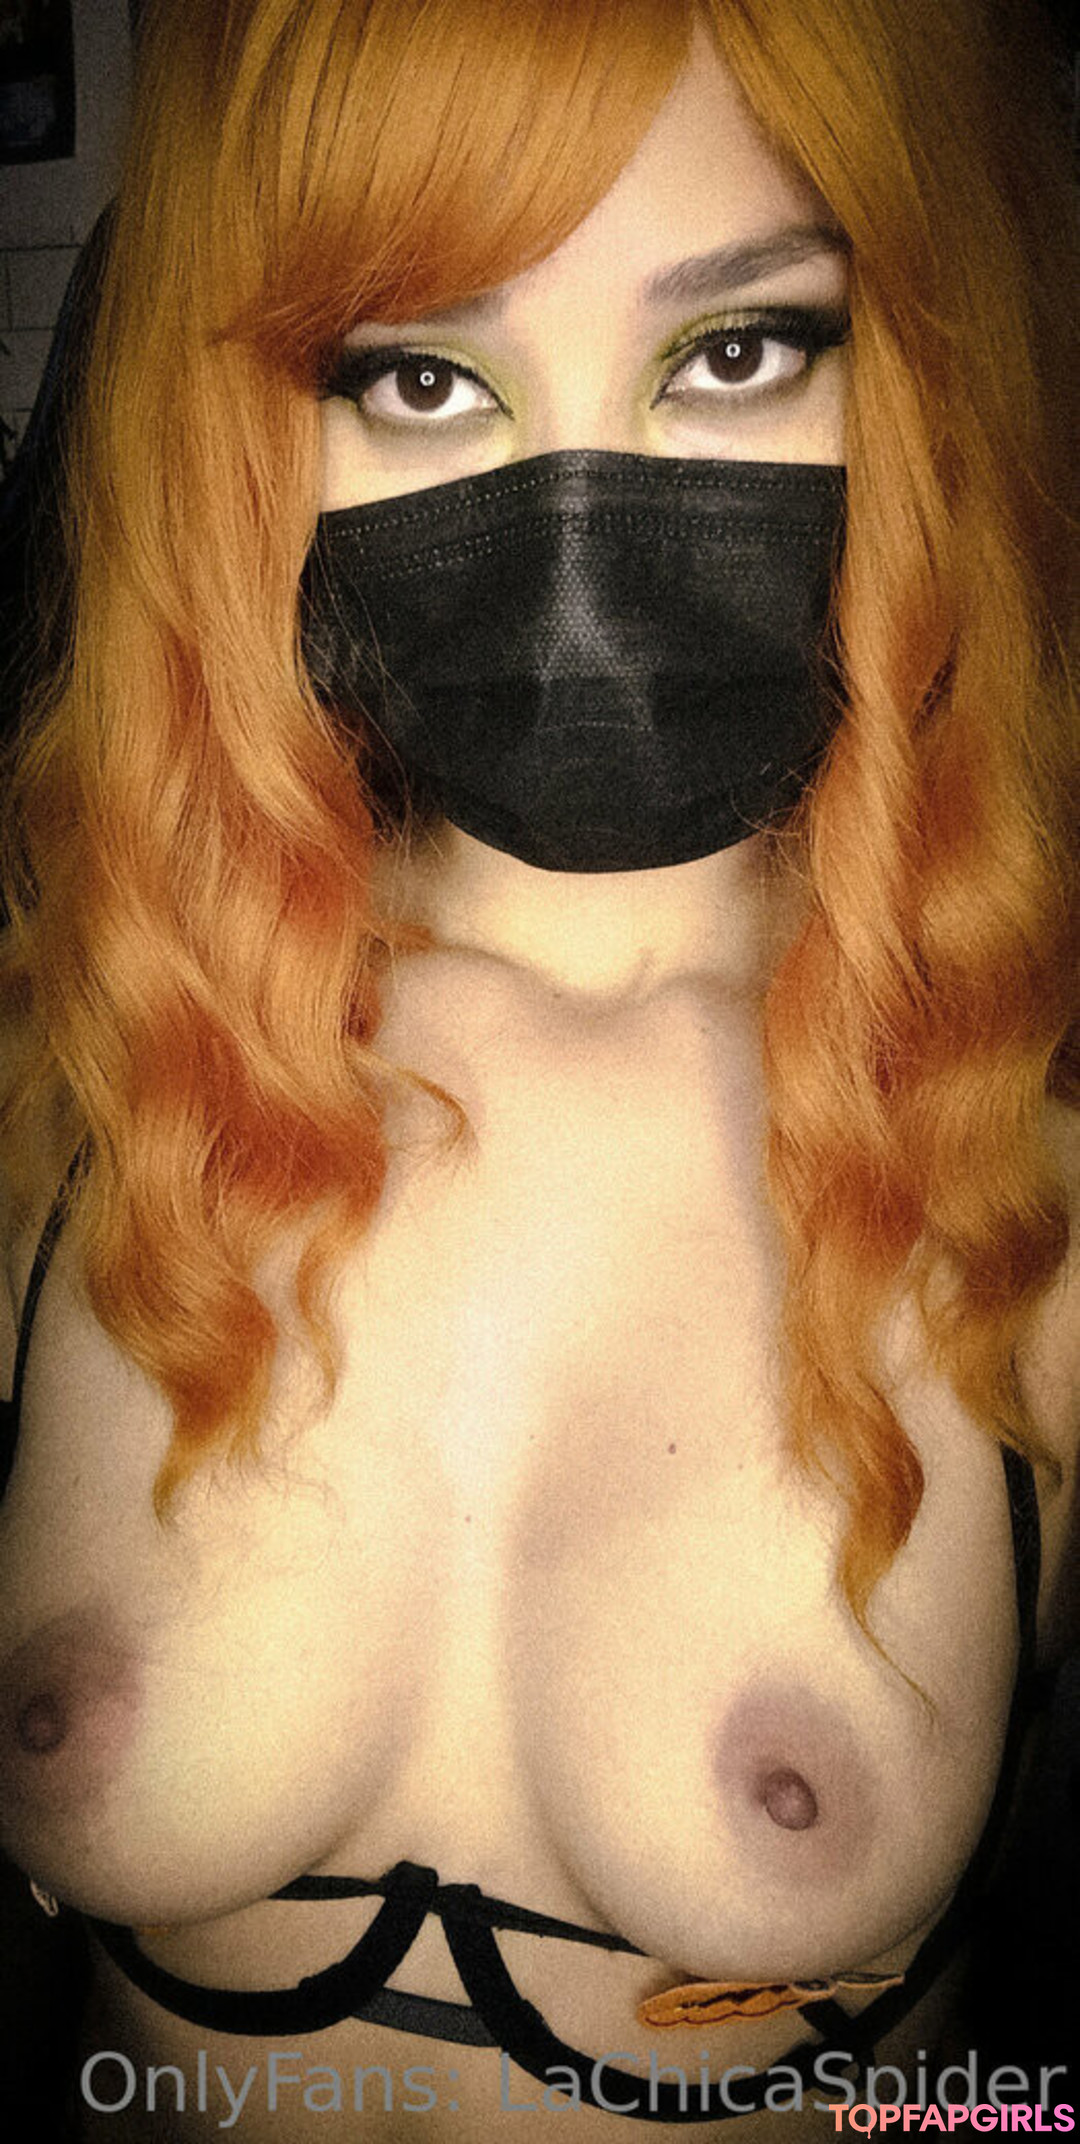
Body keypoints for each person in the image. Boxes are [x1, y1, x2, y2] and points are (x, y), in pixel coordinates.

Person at [0, 0, 1076, 2137]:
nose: (578, 534)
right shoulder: (79, 1083)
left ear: (924, 377)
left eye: (738, 350)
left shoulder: (1027, 1208)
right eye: (421, 375)